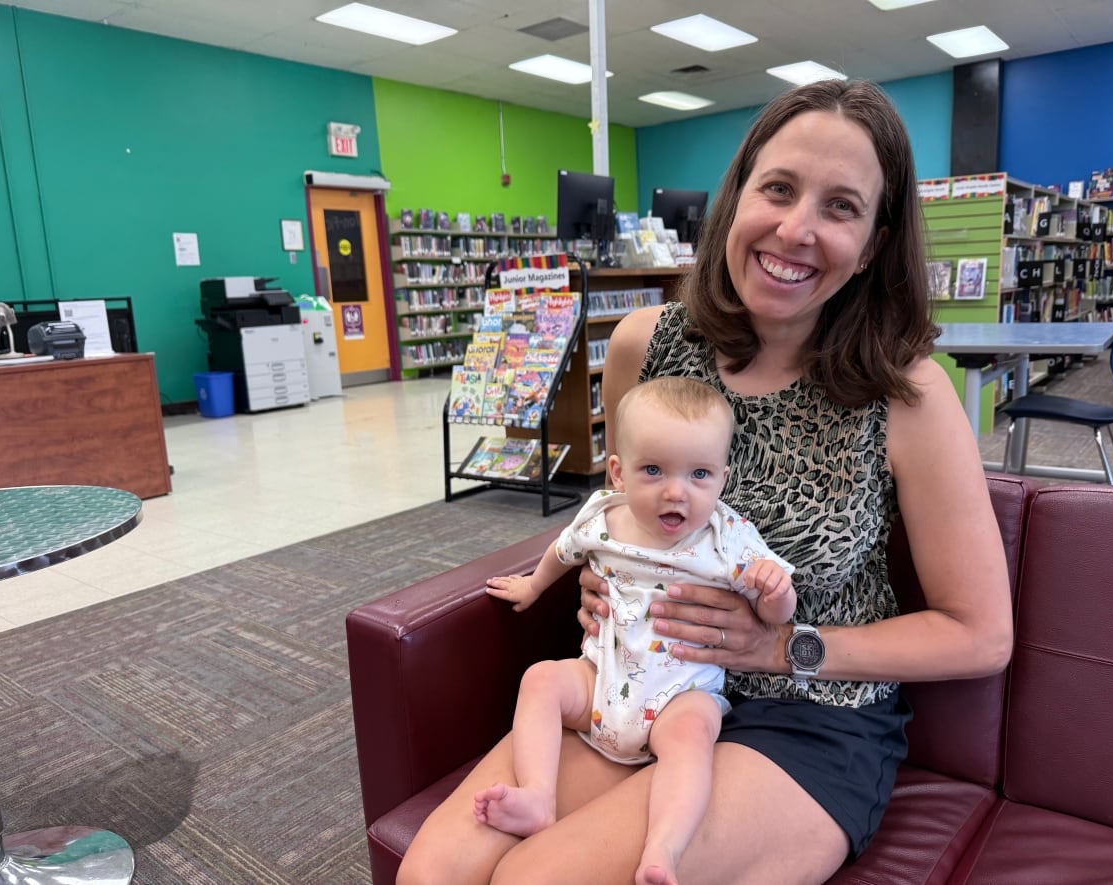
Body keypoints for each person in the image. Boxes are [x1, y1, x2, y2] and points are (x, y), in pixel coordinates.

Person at [398, 78, 1012, 885]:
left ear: (872, 243)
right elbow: (622, 506)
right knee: (431, 873)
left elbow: (981, 634)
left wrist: (784, 643)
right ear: (738, 194)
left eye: (840, 207)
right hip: (641, 682)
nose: (795, 230)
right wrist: (597, 574)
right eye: (780, 189)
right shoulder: (643, 345)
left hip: (809, 717)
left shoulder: (907, 391)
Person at [475, 376, 796, 885]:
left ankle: (663, 849)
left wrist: (775, 594)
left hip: (680, 694)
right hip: (601, 680)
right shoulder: (603, 516)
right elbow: (564, 550)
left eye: (699, 475)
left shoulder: (727, 536)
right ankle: (537, 795)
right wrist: (533, 588)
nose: (677, 492)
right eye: (654, 470)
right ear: (618, 473)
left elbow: (778, 615)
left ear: (722, 478)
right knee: (540, 679)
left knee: (692, 740)